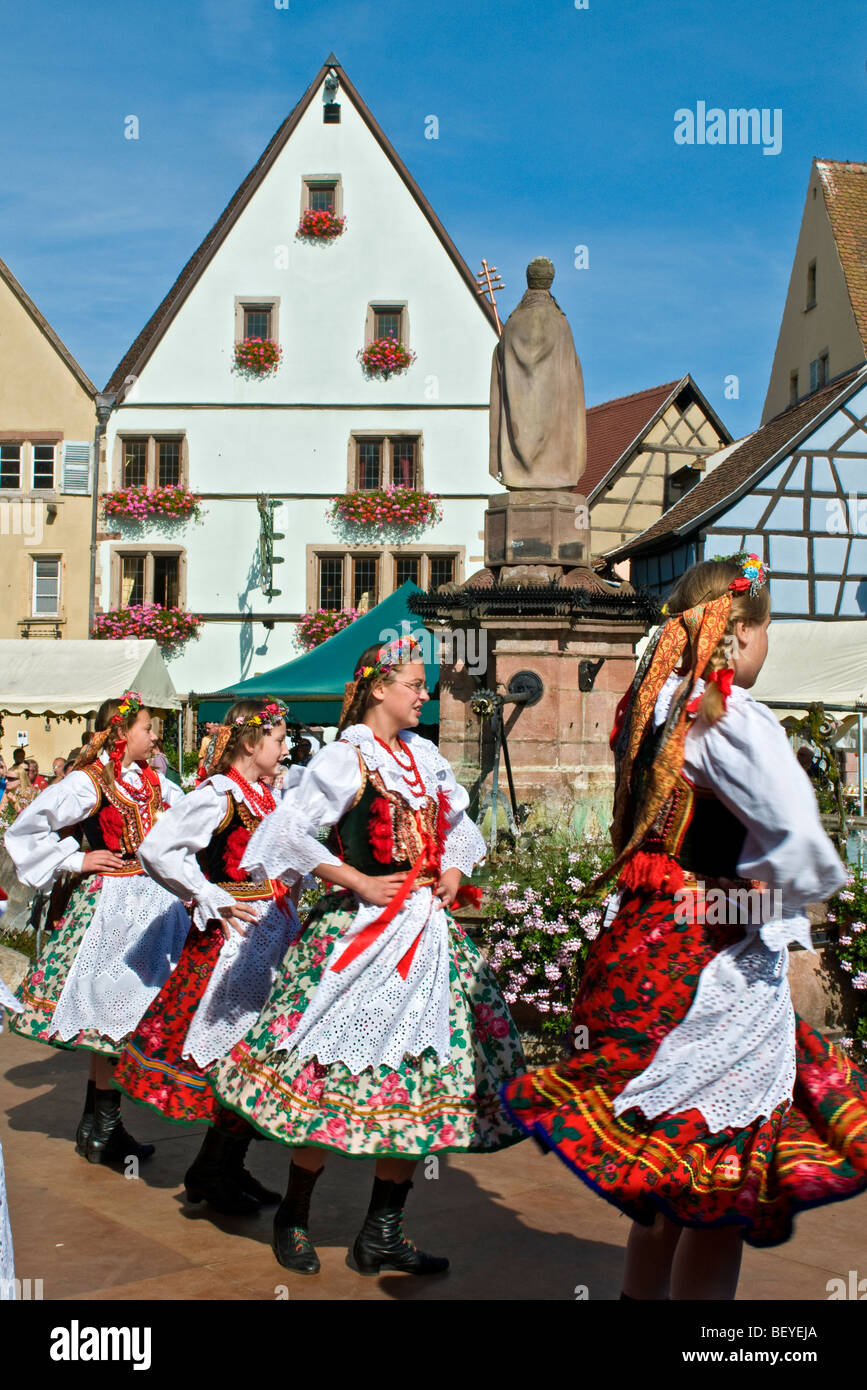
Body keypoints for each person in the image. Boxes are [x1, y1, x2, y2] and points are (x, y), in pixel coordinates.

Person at [501, 553, 867, 1300]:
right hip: (711, 966)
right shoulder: (726, 713)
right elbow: (799, 839)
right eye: (766, 630)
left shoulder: (658, 702)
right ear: (741, 633)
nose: (768, 646)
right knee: (715, 1195)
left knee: (670, 1178)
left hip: (642, 953)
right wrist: (788, 905)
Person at [209, 635, 526, 1278]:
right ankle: (293, 1217)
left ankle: (382, 1230)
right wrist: (353, 880)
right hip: (358, 933)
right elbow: (284, 833)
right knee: (328, 1074)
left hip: (424, 934)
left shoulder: (425, 756)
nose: (425, 694)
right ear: (380, 687)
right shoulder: (344, 757)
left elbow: (460, 826)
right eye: (415, 684)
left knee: (415, 1075)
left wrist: (456, 870)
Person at [113, 699, 303, 1215]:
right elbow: (157, 849)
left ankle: (222, 1167)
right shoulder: (219, 796)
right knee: (231, 1057)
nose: (286, 747)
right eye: (279, 738)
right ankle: (211, 1172)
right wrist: (208, 894)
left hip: (267, 939)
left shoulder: (263, 796)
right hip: (229, 948)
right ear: (250, 743)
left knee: (248, 1059)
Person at [5, 691, 190, 1166]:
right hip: (113, 909)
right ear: (121, 733)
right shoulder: (91, 782)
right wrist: (77, 858)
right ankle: (105, 1131)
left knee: (112, 1019)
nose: (155, 737)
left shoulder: (154, 782)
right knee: (112, 1017)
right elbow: (27, 828)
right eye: (149, 729)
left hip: (150, 907)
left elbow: (188, 820)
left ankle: (98, 1127)